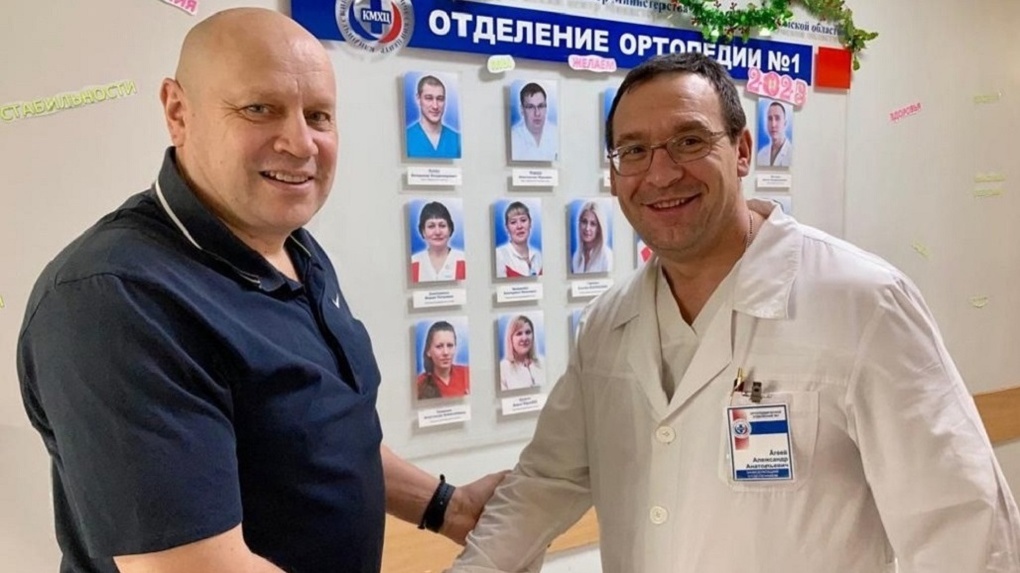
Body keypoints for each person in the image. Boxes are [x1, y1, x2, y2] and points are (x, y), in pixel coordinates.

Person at [452, 52, 1020, 572]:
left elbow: (964, 528)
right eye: (634, 151)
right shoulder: (608, 324)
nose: (660, 173)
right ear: (614, 173)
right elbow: (545, 481)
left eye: (689, 141)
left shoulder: (862, 303)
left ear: (743, 150)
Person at [16, 9, 505, 573]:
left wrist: (447, 507)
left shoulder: (293, 248)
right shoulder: (116, 300)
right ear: (178, 112)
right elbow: (197, 568)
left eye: (318, 115)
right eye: (259, 109)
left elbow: (324, 437)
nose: (301, 144)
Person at [406, 74, 462, 159]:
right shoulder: (407, 138)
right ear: (418, 99)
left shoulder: (457, 139)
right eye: (429, 98)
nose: (435, 106)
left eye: (440, 99)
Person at [410, 201, 466, 283]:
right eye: (431, 226)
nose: (437, 232)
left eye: (442, 225)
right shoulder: (414, 262)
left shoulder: (462, 259)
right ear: (423, 231)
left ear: (450, 229)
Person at [417, 321, 470, 399]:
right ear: (428, 351)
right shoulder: (419, 384)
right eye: (439, 346)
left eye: (450, 345)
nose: (446, 352)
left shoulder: (467, 374)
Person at [510, 82, 558, 161]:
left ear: (546, 107)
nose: (537, 113)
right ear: (522, 110)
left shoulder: (556, 133)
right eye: (530, 107)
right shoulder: (514, 137)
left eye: (541, 106)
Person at [494, 201, 542, 278]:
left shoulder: (538, 255)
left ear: (530, 223)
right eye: (513, 222)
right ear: (507, 228)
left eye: (523, 220)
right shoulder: (499, 255)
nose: (519, 226)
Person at [498, 315, 546, 391]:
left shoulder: (543, 362)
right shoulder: (503, 369)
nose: (524, 338)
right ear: (511, 339)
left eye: (528, 332)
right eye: (519, 334)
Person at [570, 200, 613, 274]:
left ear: (599, 228)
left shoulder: (607, 256)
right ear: (579, 224)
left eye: (593, 224)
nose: (587, 228)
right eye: (584, 222)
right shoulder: (576, 257)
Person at [756, 99, 792, 168]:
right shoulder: (761, 154)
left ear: (785, 123)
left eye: (777, 118)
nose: (773, 124)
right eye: (770, 119)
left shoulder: (792, 153)